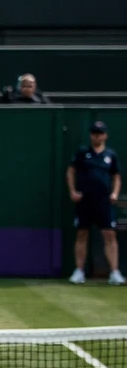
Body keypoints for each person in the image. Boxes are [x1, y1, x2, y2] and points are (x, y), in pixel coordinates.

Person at [67, 121, 121, 284]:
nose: (97, 136)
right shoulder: (83, 153)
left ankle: (114, 272)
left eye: (100, 133)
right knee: (82, 233)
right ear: (91, 135)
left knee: (109, 234)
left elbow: (116, 177)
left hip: (103, 201)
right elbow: (70, 171)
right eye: (94, 133)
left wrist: (115, 193)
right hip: (84, 200)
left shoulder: (111, 155)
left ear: (105, 135)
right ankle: (79, 271)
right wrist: (72, 191)